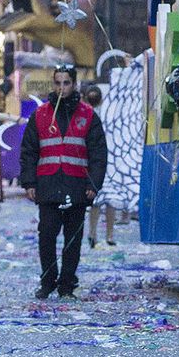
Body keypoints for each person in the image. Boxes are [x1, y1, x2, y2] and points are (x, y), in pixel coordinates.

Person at [19, 65, 107, 300]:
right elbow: (29, 150)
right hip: (48, 185)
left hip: (77, 185)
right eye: (57, 83)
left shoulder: (88, 115)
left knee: (73, 239)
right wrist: (29, 182)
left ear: (74, 84)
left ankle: (67, 284)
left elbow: (98, 154)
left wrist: (93, 184)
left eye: (66, 83)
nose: (61, 88)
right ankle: (48, 281)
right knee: (46, 235)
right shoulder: (41, 115)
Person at [82, 84, 116, 248]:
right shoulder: (91, 115)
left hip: (100, 161)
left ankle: (95, 233)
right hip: (101, 162)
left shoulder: (90, 115)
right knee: (104, 200)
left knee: (102, 200)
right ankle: (103, 234)